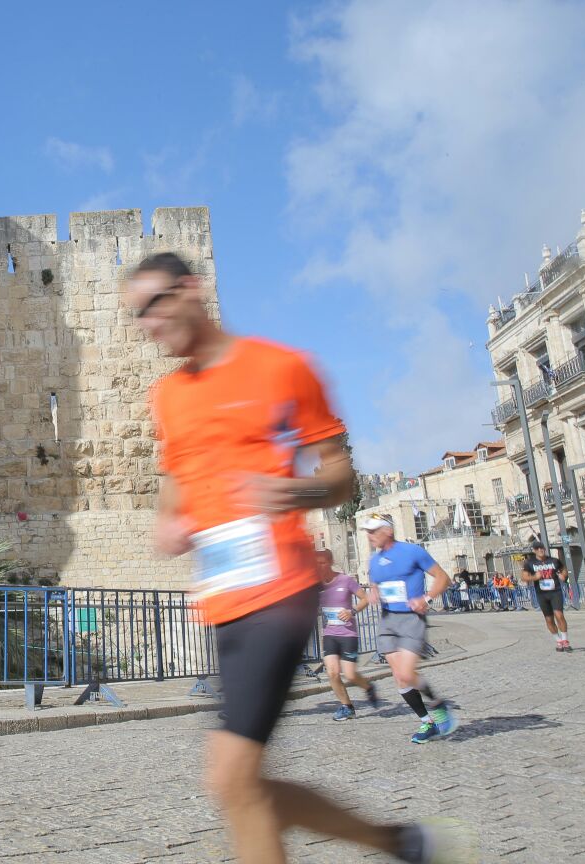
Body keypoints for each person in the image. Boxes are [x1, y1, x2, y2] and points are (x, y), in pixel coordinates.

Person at [129, 252, 470, 864]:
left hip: (281, 589)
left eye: (156, 302)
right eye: (138, 313)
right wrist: (170, 524)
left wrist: (293, 490)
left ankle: (403, 843)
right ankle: (404, 843)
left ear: (192, 288)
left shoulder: (282, 368)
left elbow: (340, 479)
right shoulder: (168, 397)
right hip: (224, 602)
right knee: (244, 788)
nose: (148, 322)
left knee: (231, 776)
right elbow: (175, 481)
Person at [362, 515, 458, 744]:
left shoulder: (412, 551)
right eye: (367, 531)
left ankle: (437, 704)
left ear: (388, 531)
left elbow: (443, 578)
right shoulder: (374, 561)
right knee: (399, 677)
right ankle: (428, 722)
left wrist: (426, 598)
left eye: (374, 531)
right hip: (387, 620)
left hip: (411, 619)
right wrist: (373, 592)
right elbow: (375, 582)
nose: (370, 535)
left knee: (406, 674)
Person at [316, 549, 378, 720]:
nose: (319, 566)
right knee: (332, 673)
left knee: (350, 674)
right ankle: (347, 706)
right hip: (329, 634)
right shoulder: (317, 584)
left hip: (348, 634)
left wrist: (352, 611)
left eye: (322, 563)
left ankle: (368, 687)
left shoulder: (345, 580)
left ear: (330, 562)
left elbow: (365, 599)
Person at [520, 541, 573, 652]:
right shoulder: (530, 563)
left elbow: (563, 569)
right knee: (549, 620)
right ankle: (558, 641)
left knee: (559, 615)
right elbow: (524, 577)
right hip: (542, 594)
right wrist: (535, 577)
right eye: (537, 548)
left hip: (555, 592)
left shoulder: (553, 560)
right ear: (534, 550)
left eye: (542, 547)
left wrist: (563, 576)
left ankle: (565, 640)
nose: (540, 550)